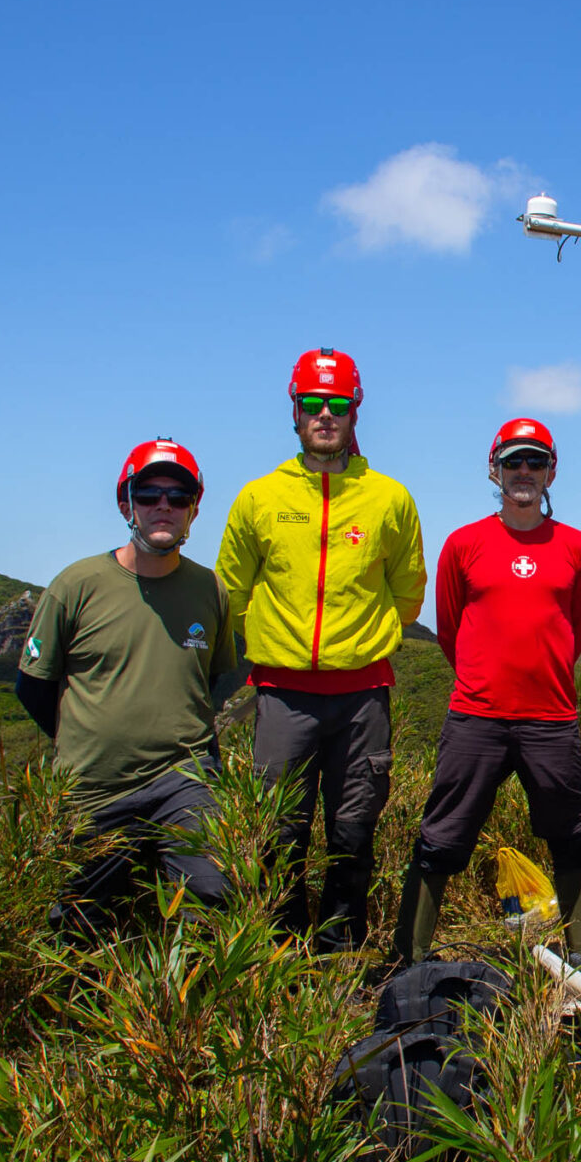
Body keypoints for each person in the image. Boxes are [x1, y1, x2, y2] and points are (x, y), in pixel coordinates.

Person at [215, 347, 426, 951]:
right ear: (295, 410)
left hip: (363, 696)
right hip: (282, 696)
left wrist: (357, 637)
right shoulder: (259, 498)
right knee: (278, 837)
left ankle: (341, 962)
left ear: (356, 410)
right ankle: (280, 960)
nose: (325, 415)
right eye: (313, 404)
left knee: (353, 832)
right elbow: (230, 590)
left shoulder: (390, 498)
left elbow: (409, 590)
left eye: (337, 404)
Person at [393, 418, 581, 960]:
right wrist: (485, 679)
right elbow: (449, 628)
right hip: (477, 716)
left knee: (568, 836)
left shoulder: (578, 547)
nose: (524, 471)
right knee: (442, 834)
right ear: (494, 469)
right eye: (514, 461)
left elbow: (576, 629)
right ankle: (408, 957)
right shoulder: (464, 544)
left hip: (551, 718)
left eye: (535, 461)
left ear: (552, 471)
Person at [17, 438, 239, 935]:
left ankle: (196, 1011)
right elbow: (33, 686)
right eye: (149, 494)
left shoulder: (210, 590)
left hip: (185, 780)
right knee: (76, 929)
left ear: (193, 510)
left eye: (178, 497)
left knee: (211, 903)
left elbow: (216, 679)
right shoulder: (75, 587)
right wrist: (85, 739)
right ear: (126, 504)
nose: (164, 505)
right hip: (93, 790)